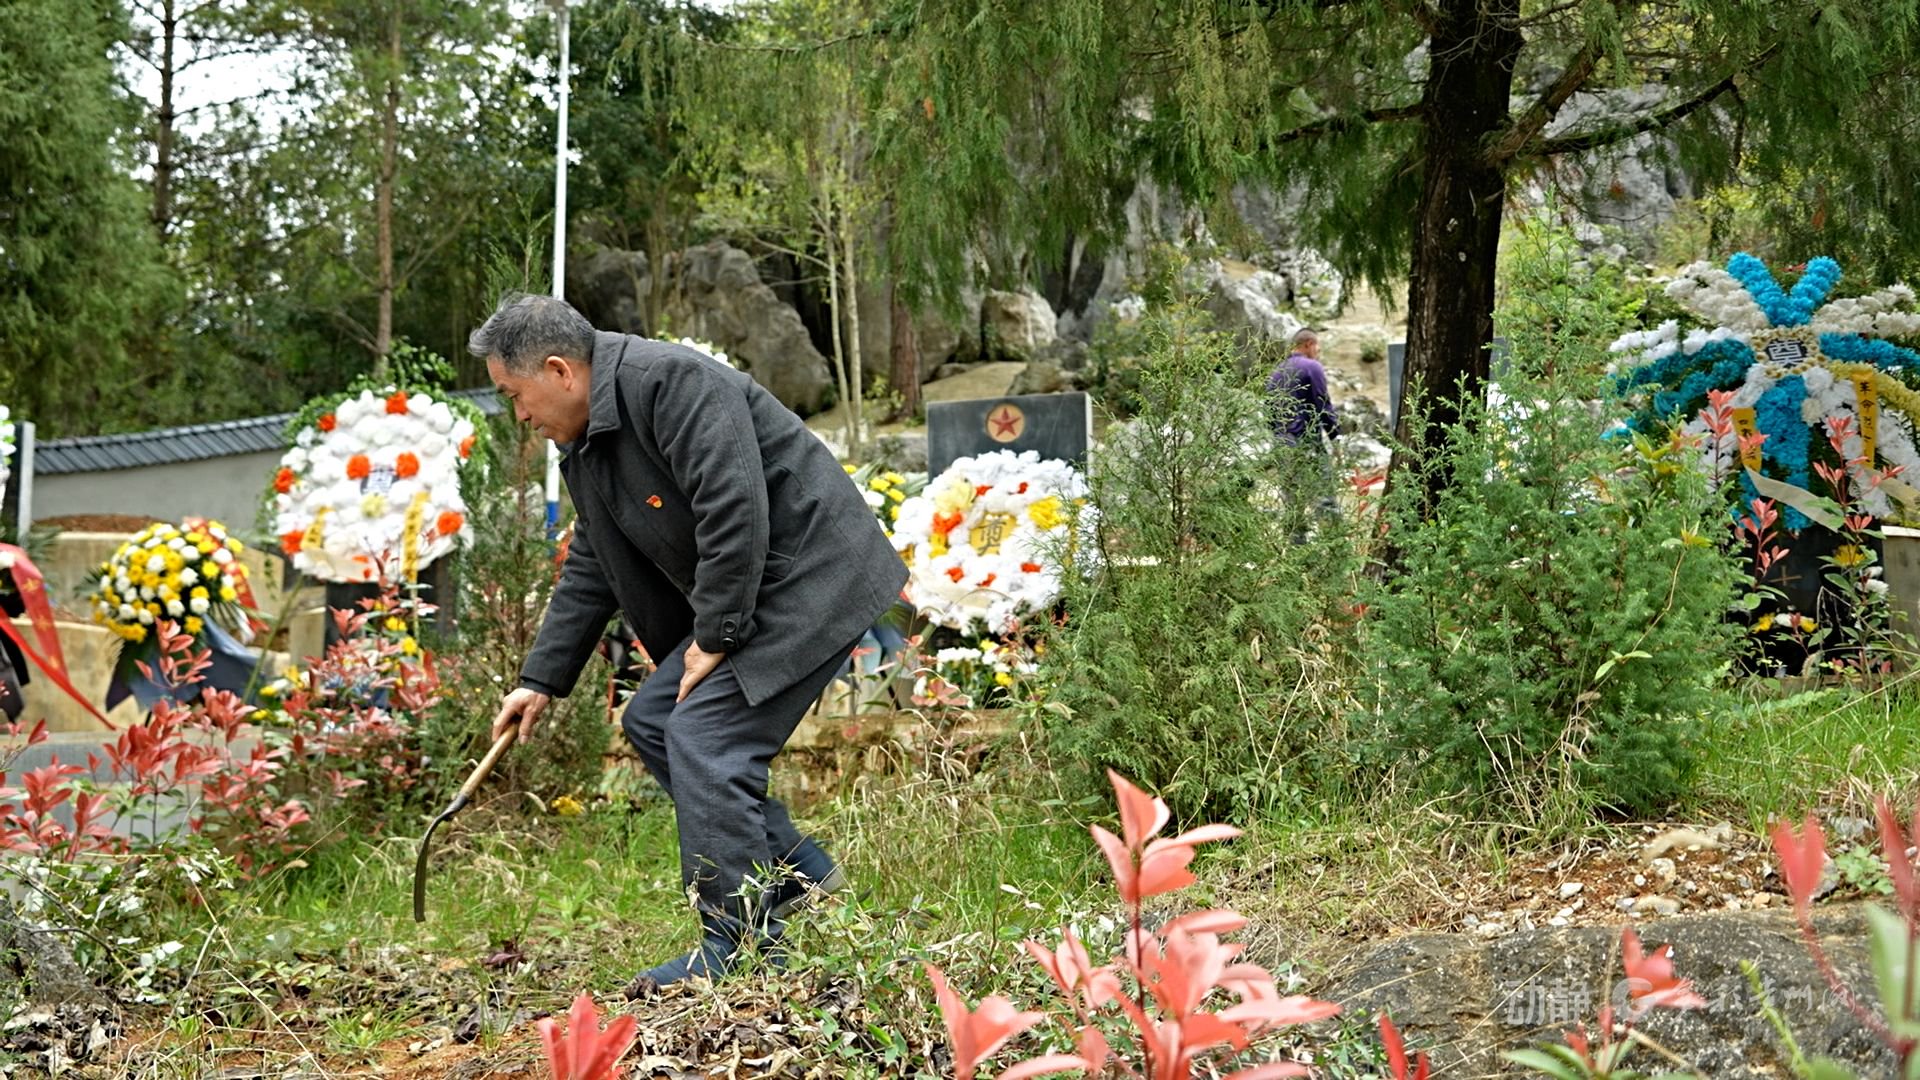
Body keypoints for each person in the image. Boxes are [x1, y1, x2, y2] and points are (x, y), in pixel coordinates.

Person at [473, 293, 907, 995]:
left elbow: (733, 505)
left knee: (705, 735)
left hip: (810, 575)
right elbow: (595, 561)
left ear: (559, 371)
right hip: (759, 585)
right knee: (651, 720)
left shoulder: (670, 384)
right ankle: (798, 876)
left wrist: (716, 635)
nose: (519, 415)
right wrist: (541, 679)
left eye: (514, 395)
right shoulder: (587, 445)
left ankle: (740, 946)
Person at [1265, 328, 1340, 524]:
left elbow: (1269, 412)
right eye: (1318, 348)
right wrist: (1335, 437)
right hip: (1306, 442)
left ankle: (1296, 549)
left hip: (1281, 444)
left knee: (1293, 504)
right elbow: (1322, 404)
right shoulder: (1311, 367)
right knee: (1325, 500)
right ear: (1309, 344)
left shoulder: (1276, 372)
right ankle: (1336, 547)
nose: (1318, 353)